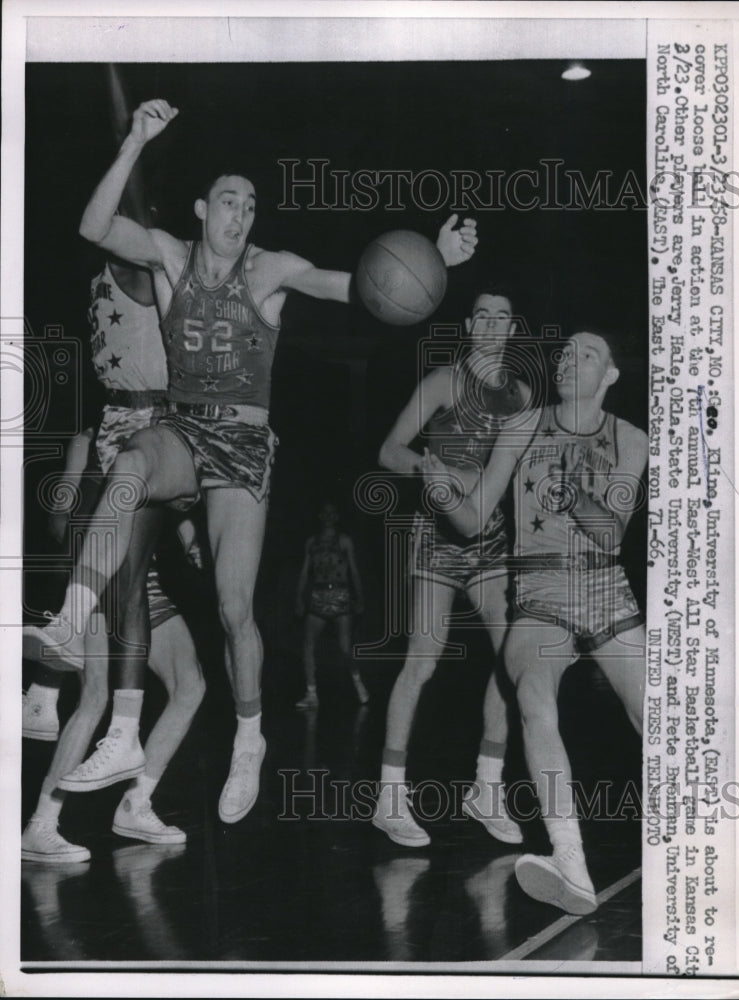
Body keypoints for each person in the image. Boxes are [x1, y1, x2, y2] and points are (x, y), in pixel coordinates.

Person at [23, 98, 477, 825]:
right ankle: (73, 623)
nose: (241, 215)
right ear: (204, 209)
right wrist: (136, 140)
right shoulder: (170, 255)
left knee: (235, 608)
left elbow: (361, 289)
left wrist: (436, 259)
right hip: (181, 429)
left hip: (241, 446)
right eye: (230, 202)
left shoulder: (270, 271)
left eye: (251, 205)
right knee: (130, 467)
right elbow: (93, 226)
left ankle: (249, 739)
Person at [424, 330, 646, 912]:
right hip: (538, 586)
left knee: (660, 715)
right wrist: (445, 493)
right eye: (566, 353)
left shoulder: (632, 438)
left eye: (589, 354)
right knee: (533, 698)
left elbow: (609, 533)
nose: (572, 360)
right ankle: (570, 860)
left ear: (611, 375)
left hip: (604, 585)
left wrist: (571, 490)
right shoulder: (522, 426)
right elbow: (473, 520)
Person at [22, 259, 206, 863]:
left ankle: (136, 804)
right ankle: (41, 823)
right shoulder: (132, 420)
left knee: (191, 685)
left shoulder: (140, 424)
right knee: (98, 693)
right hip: (114, 576)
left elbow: (154, 503)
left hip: (138, 570)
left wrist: (185, 537)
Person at [372, 287, 532, 847]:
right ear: (469, 326)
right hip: (438, 536)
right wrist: (429, 472)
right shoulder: (444, 381)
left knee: (515, 657)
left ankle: (486, 785)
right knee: (422, 660)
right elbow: (389, 449)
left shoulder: (522, 395)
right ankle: (390, 797)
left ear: (512, 330)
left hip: (490, 541)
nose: (490, 324)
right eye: (481, 314)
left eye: (501, 316)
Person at [294, 500, 366, 708]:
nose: (328, 517)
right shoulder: (311, 542)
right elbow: (304, 572)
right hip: (318, 594)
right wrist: (299, 597)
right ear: (320, 517)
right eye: (324, 513)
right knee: (307, 645)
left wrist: (360, 597)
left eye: (332, 513)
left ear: (337, 517)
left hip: (340, 594)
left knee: (345, 646)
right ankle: (311, 693)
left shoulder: (344, 541)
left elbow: (353, 570)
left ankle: (359, 684)